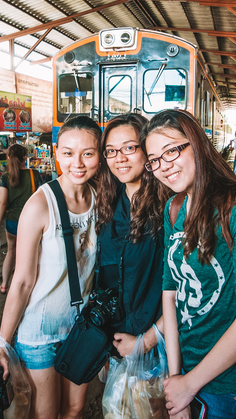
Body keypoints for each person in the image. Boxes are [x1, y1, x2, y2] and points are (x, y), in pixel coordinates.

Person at [143, 110, 236, 419]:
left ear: (198, 145)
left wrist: (190, 384)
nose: (164, 166)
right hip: (184, 371)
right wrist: (176, 379)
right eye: (154, 160)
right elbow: (170, 294)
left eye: (172, 150)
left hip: (229, 387)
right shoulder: (174, 208)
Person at [0, 115, 101, 419]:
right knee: (45, 415)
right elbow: (21, 281)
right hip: (41, 334)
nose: (78, 163)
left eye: (88, 153)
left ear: (100, 153)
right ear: (57, 152)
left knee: (73, 409)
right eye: (69, 153)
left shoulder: (99, 198)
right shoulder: (39, 205)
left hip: (81, 327)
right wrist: (2, 343)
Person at [95, 114, 167, 368]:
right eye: (111, 151)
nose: (119, 158)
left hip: (158, 342)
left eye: (129, 148)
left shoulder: (168, 207)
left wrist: (144, 342)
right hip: (116, 338)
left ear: (147, 150)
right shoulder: (109, 204)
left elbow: (183, 289)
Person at [0, 144, 42, 294]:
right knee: (33, 253)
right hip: (30, 223)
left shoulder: (5, 177)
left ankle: (4, 285)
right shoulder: (34, 174)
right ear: (25, 158)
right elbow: (41, 199)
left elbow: (2, 202)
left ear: (8, 157)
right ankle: (29, 286)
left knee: (11, 251)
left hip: (12, 222)